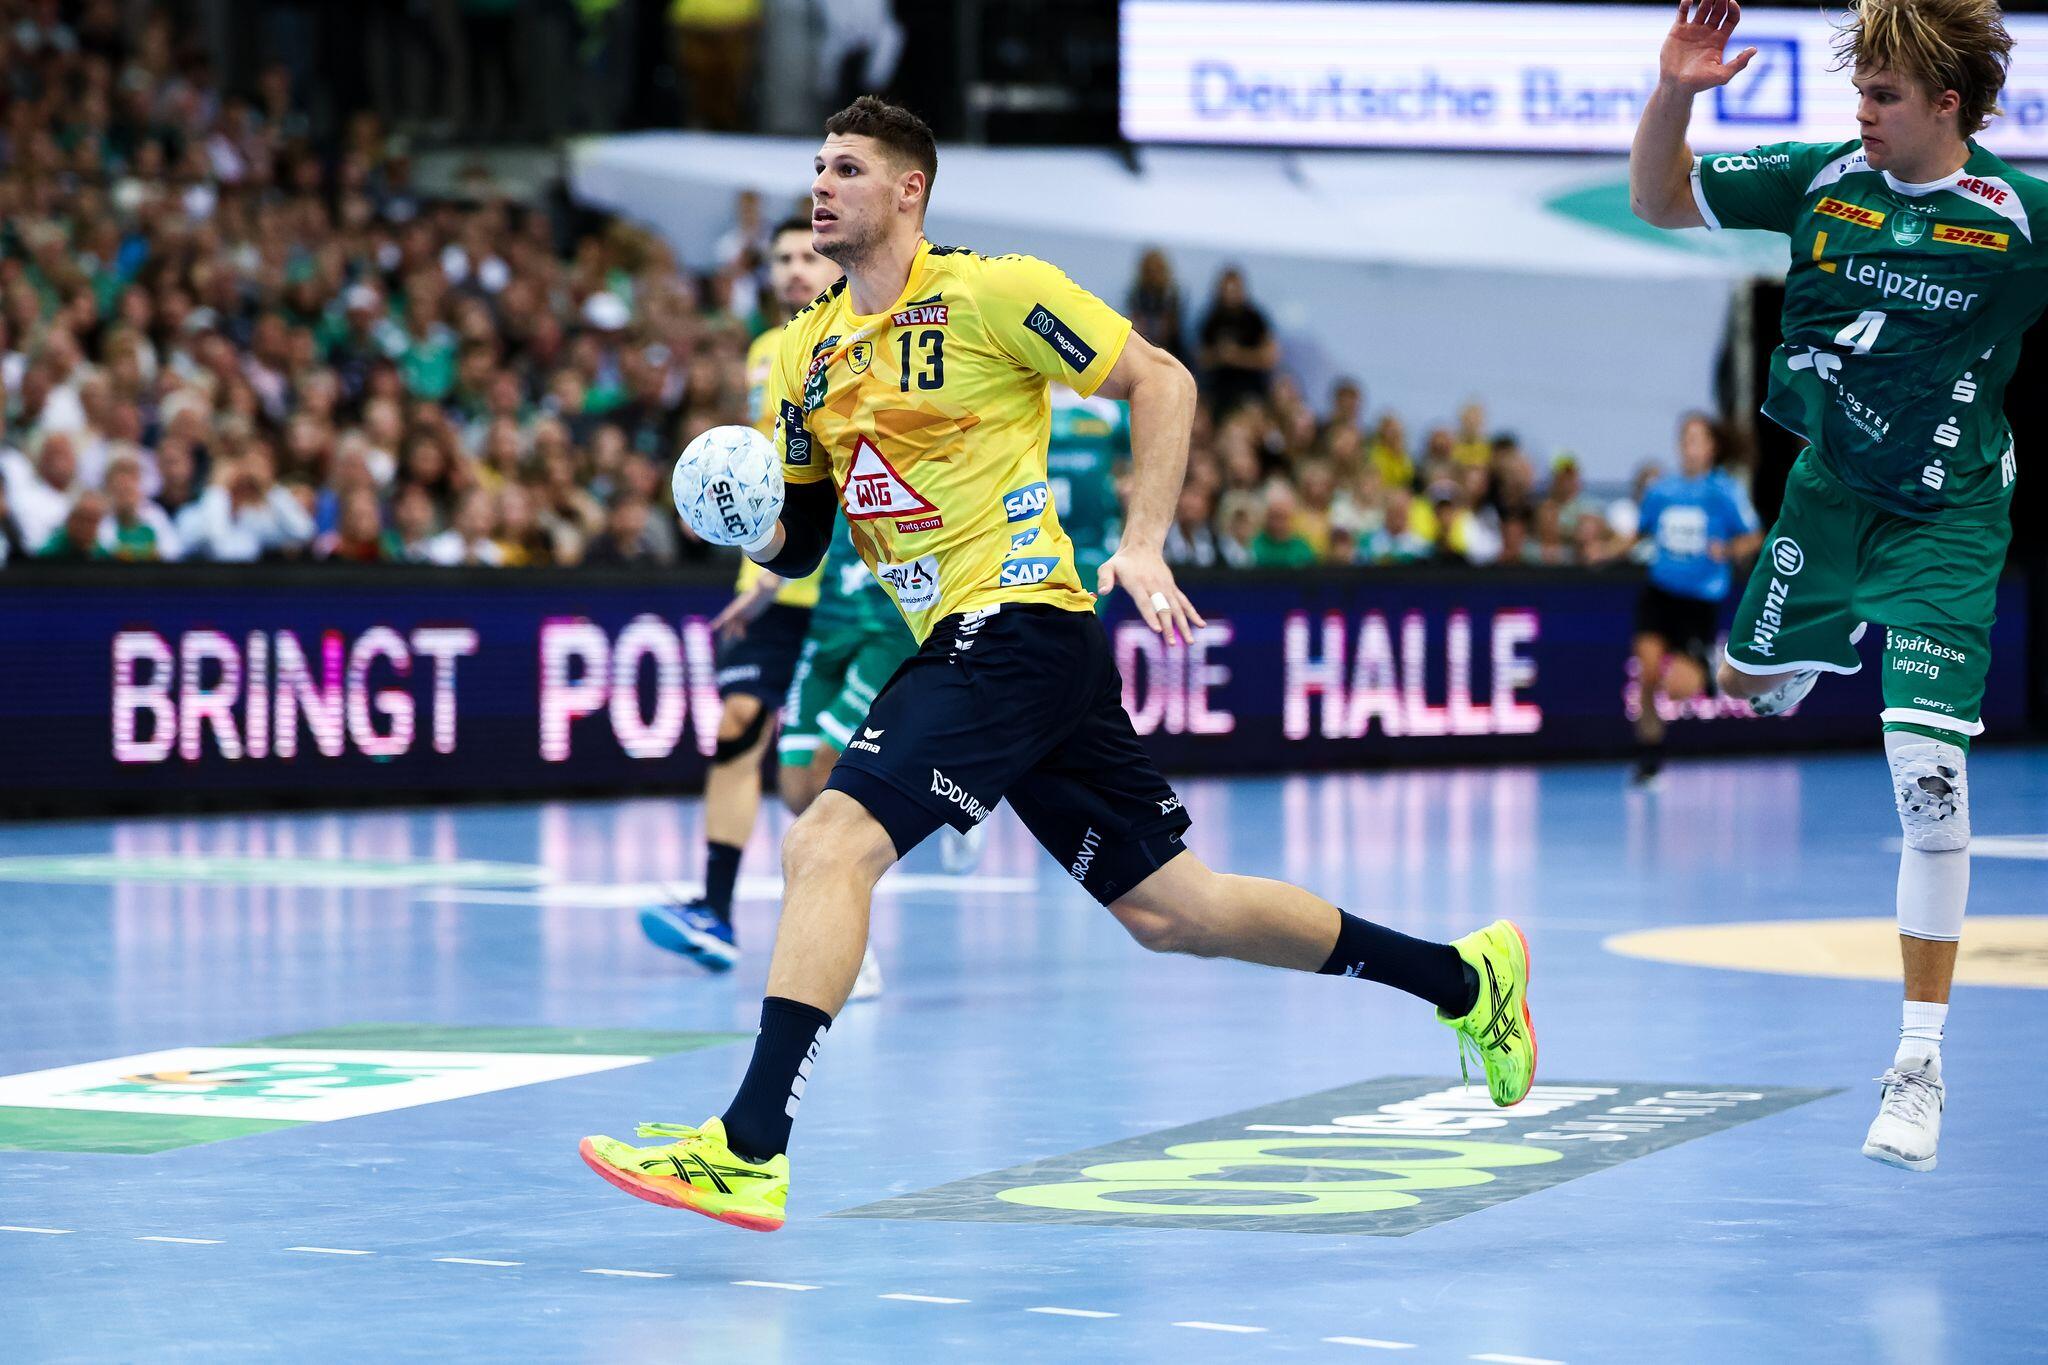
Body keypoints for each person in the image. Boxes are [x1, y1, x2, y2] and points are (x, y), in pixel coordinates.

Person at [580, 96, 1536, 1231]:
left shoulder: (994, 292)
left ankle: (748, 1147)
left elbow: (1163, 380)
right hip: (1000, 651)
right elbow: (804, 537)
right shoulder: (803, 353)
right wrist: (744, 516)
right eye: (818, 167)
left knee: (827, 841)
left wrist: (1142, 542)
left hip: (1016, 622)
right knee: (1175, 911)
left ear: (909, 189)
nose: (821, 185)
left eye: (847, 168)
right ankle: (1465, 978)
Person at [1632, 0, 2034, 1171]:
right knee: (1741, 682)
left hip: (1947, 515)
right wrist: (1673, 93)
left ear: (1945, 105)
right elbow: (1657, 199)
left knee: (1924, 776)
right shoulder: (1819, 179)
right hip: (1827, 497)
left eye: (1882, 96)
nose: (1859, 112)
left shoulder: (2017, 218)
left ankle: (1917, 1064)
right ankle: (1807, 649)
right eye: (1857, 90)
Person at [638, 218, 833, 970]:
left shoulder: (863, 339)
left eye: (807, 255)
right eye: (781, 258)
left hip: (855, 583)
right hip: (777, 580)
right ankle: (715, 912)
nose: (793, 269)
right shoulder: (764, 353)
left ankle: (838, 913)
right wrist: (757, 563)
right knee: (737, 722)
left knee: (815, 772)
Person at [1612, 412, 1760, 785]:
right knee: (1646, 673)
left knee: (1677, 688)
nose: (1689, 447)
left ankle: (1705, 669)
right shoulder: (1661, 491)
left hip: (1697, 603)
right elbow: (1638, 534)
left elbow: (1753, 536)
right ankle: (1649, 757)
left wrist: (1727, 550)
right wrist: (1603, 550)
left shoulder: (1724, 491)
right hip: (1659, 594)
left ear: (1711, 448)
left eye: (1697, 439)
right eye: (1685, 439)